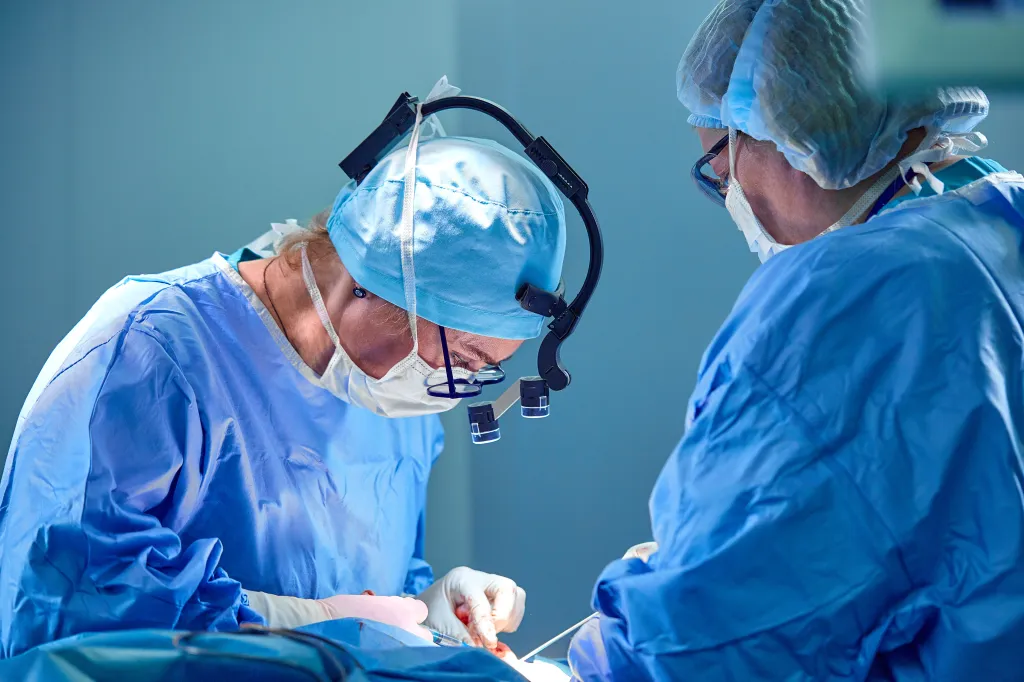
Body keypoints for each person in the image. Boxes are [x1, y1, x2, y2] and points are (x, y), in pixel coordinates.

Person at [0, 99, 566, 659]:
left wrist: (425, 612)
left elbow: (366, 591)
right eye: (462, 356)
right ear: (376, 281)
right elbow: (69, 610)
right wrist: (311, 625)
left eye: (484, 368)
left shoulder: (396, 404)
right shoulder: (148, 351)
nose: (455, 384)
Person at [568, 1, 1024, 680]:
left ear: (791, 133)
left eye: (720, 171)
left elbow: (713, 639)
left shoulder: (848, 299)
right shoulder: (1002, 216)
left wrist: (608, 645)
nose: (731, 199)